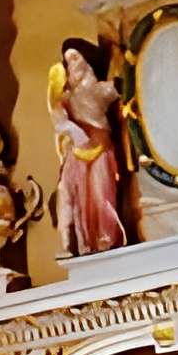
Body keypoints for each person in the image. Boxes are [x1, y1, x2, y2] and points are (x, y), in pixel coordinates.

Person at [49, 37, 129, 256]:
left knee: (100, 192)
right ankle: (78, 243)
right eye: (67, 61)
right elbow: (57, 115)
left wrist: (121, 59)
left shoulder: (99, 89)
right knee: (71, 195)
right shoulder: (65, 97)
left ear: (87, 61)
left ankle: (106, 238)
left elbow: (120, 86)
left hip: (101, 148)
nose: (71, 65)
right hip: (77, 150)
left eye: (75, 57)